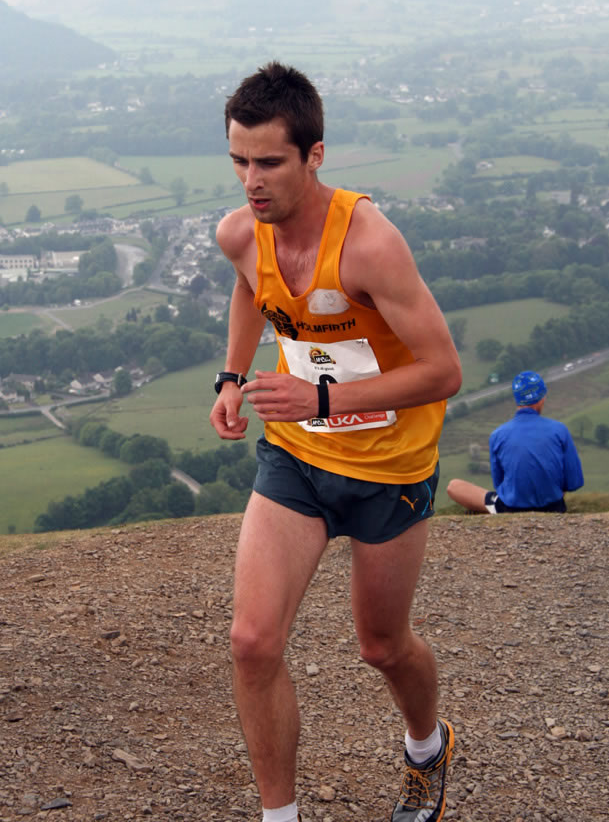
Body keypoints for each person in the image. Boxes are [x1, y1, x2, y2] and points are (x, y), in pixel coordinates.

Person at [209, 62, 462, 822]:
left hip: (390, 469)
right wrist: (231, 377)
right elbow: (250, 287)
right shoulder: (239, 233)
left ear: (314, 155)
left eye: (269, 162)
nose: (251, 182)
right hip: (297, 455)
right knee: (252, 642)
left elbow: (443, 372)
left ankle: (426, 746)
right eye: (239, 161)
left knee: (381, 647)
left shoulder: (369, 245)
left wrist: (321, 397)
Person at [447, 370, 584, 514]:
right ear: (542, 398)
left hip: (509, 508)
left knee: (454, 486)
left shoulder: (497, 435)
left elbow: (499, 483)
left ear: (517, 400)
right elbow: (574, 482)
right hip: (554, 507)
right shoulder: (560, 430)